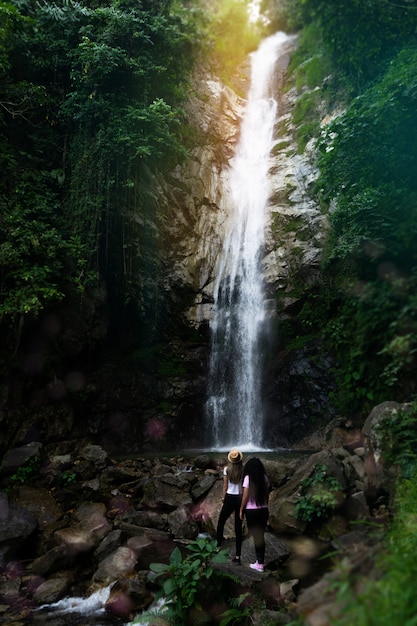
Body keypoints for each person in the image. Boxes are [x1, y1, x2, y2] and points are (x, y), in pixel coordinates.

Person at [239, 457, 270, 572]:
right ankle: (260, 561)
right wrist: (265, 505)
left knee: (256, 536)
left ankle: (260, 564)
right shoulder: (265, 478)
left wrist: (241, 510)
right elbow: (267, 494)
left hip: (252, 511)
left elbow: (245, 496)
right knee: (260, 536)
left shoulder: (248, 478)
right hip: (263, 510)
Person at [216, 448, 244, 564]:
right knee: (238, 527)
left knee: (221, 521)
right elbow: (244, 486)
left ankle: (217, 546)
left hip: (229, 497)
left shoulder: (227, 469)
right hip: (240, 498)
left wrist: (223, 498)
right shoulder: (243, 469)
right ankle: (238, 556)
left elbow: (225, 486)